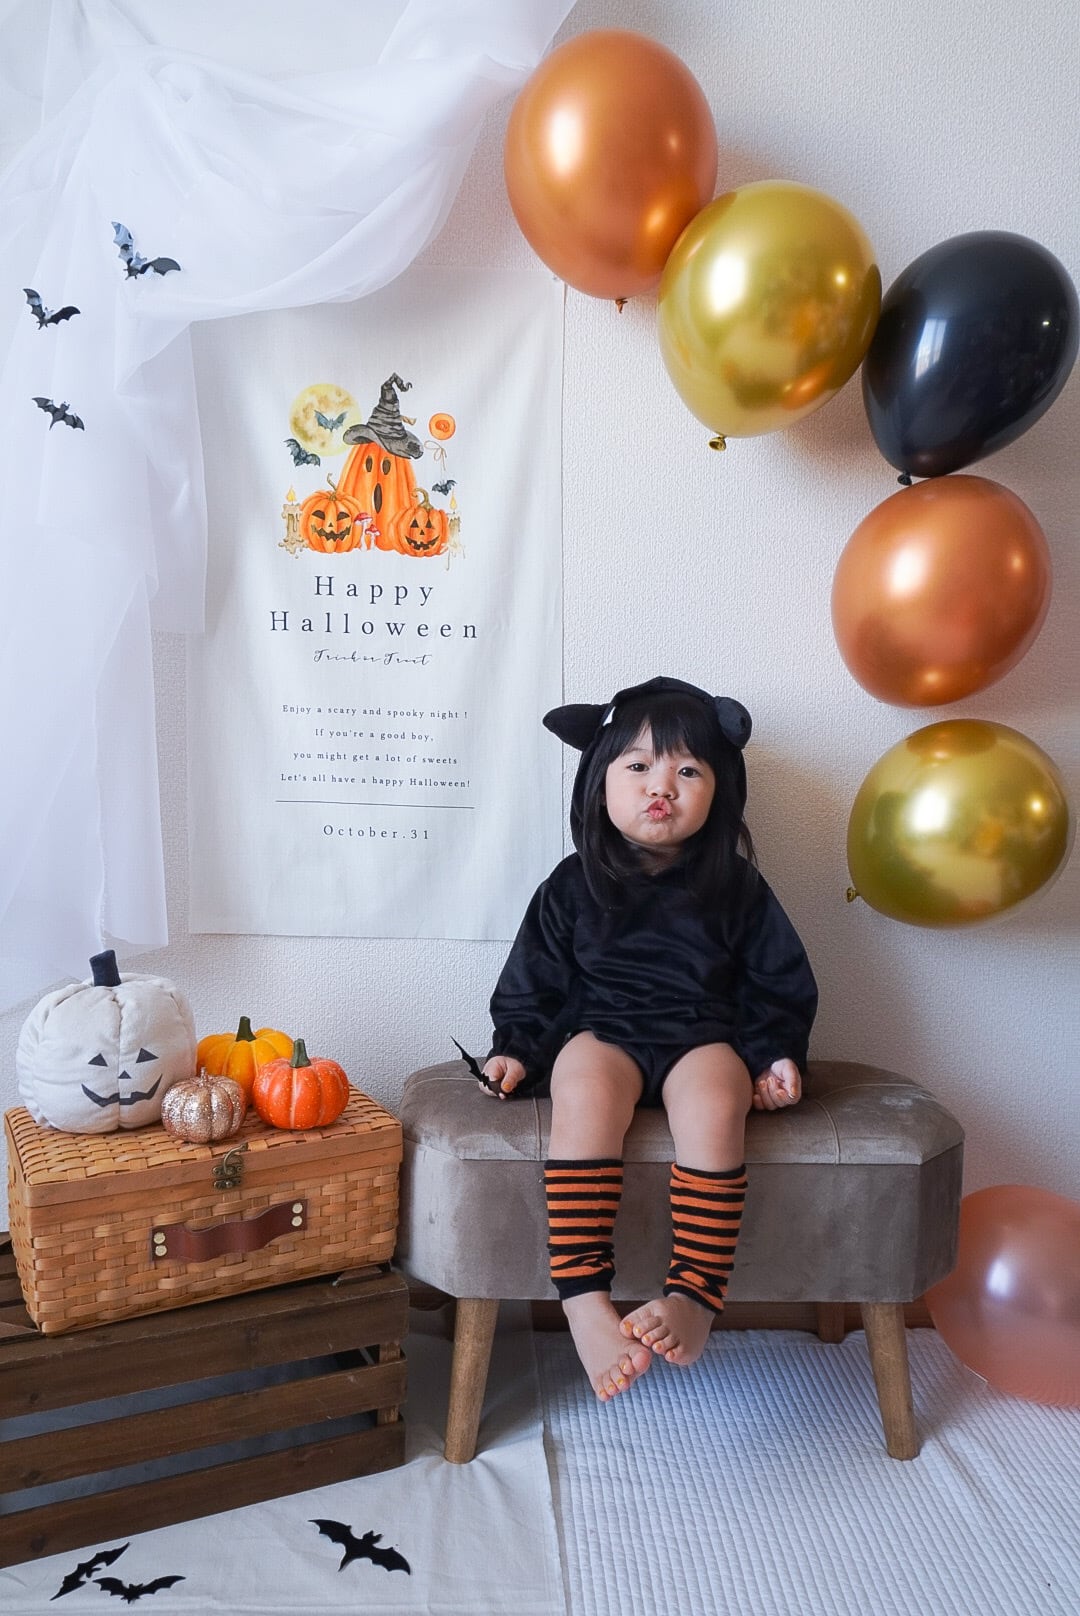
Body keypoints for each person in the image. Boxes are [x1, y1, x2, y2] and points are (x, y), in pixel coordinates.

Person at [475, 675, 818, 1402]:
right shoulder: (572, 885)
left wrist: (774, 1054)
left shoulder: (737, 887)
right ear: (598, 782)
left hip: (704, 1037)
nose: (661, 786)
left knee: (717, 1101)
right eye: (638, 766)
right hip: (603, 1033)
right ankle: (582, 1301)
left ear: (721, 792)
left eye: (688, 771)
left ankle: (694, 1293)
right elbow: (535, 979)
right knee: (583, 1088)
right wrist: (517, 1048)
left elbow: (776, 979)